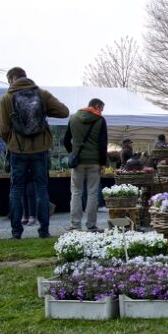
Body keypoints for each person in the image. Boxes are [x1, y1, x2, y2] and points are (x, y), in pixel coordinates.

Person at [0, 67, 69, 239]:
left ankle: (16, 232)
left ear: (13, 78)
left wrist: (13, 141)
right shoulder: (42, 94)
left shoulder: (6, 98)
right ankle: (43, 230)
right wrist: (43, 110)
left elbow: (4, 128)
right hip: (40, 149)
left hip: (18, 150)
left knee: (16, 190)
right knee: (41, 189)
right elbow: (64, 111)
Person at [63, 98, 108, 233]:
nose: (102, 111)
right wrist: (102, 163)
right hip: (94, 162)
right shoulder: (100, 120)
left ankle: (75, 225)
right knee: (92, 194)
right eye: (101, 108)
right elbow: (102, 144)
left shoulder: (74, 117)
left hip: (78, 162)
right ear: (96, 105)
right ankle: (91, 225)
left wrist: (73, 152)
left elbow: (66, 140)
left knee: (76, 193)